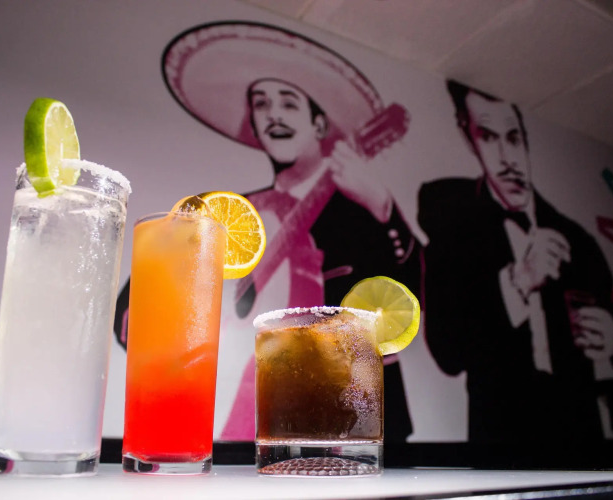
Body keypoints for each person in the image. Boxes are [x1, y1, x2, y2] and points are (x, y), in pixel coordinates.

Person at [115, 22, 420, 442]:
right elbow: (137, 307)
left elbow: (410, 301)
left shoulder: (364, 210)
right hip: (245, 428)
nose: (274, 114)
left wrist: (384, 207)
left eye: (289, 103)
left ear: (319, 125)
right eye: (261, 104)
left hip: (356, 430)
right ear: (254, 126)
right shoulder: (237, 215)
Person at [417, 80, 613, 444]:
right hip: (501, 444)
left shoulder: (577, 240)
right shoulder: (452, 232)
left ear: (526, 139)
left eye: (514, 138)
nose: (508, 159)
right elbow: (448, 353)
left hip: (581, 438)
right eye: (489, 137)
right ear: (467, 136)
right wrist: (517, 282)